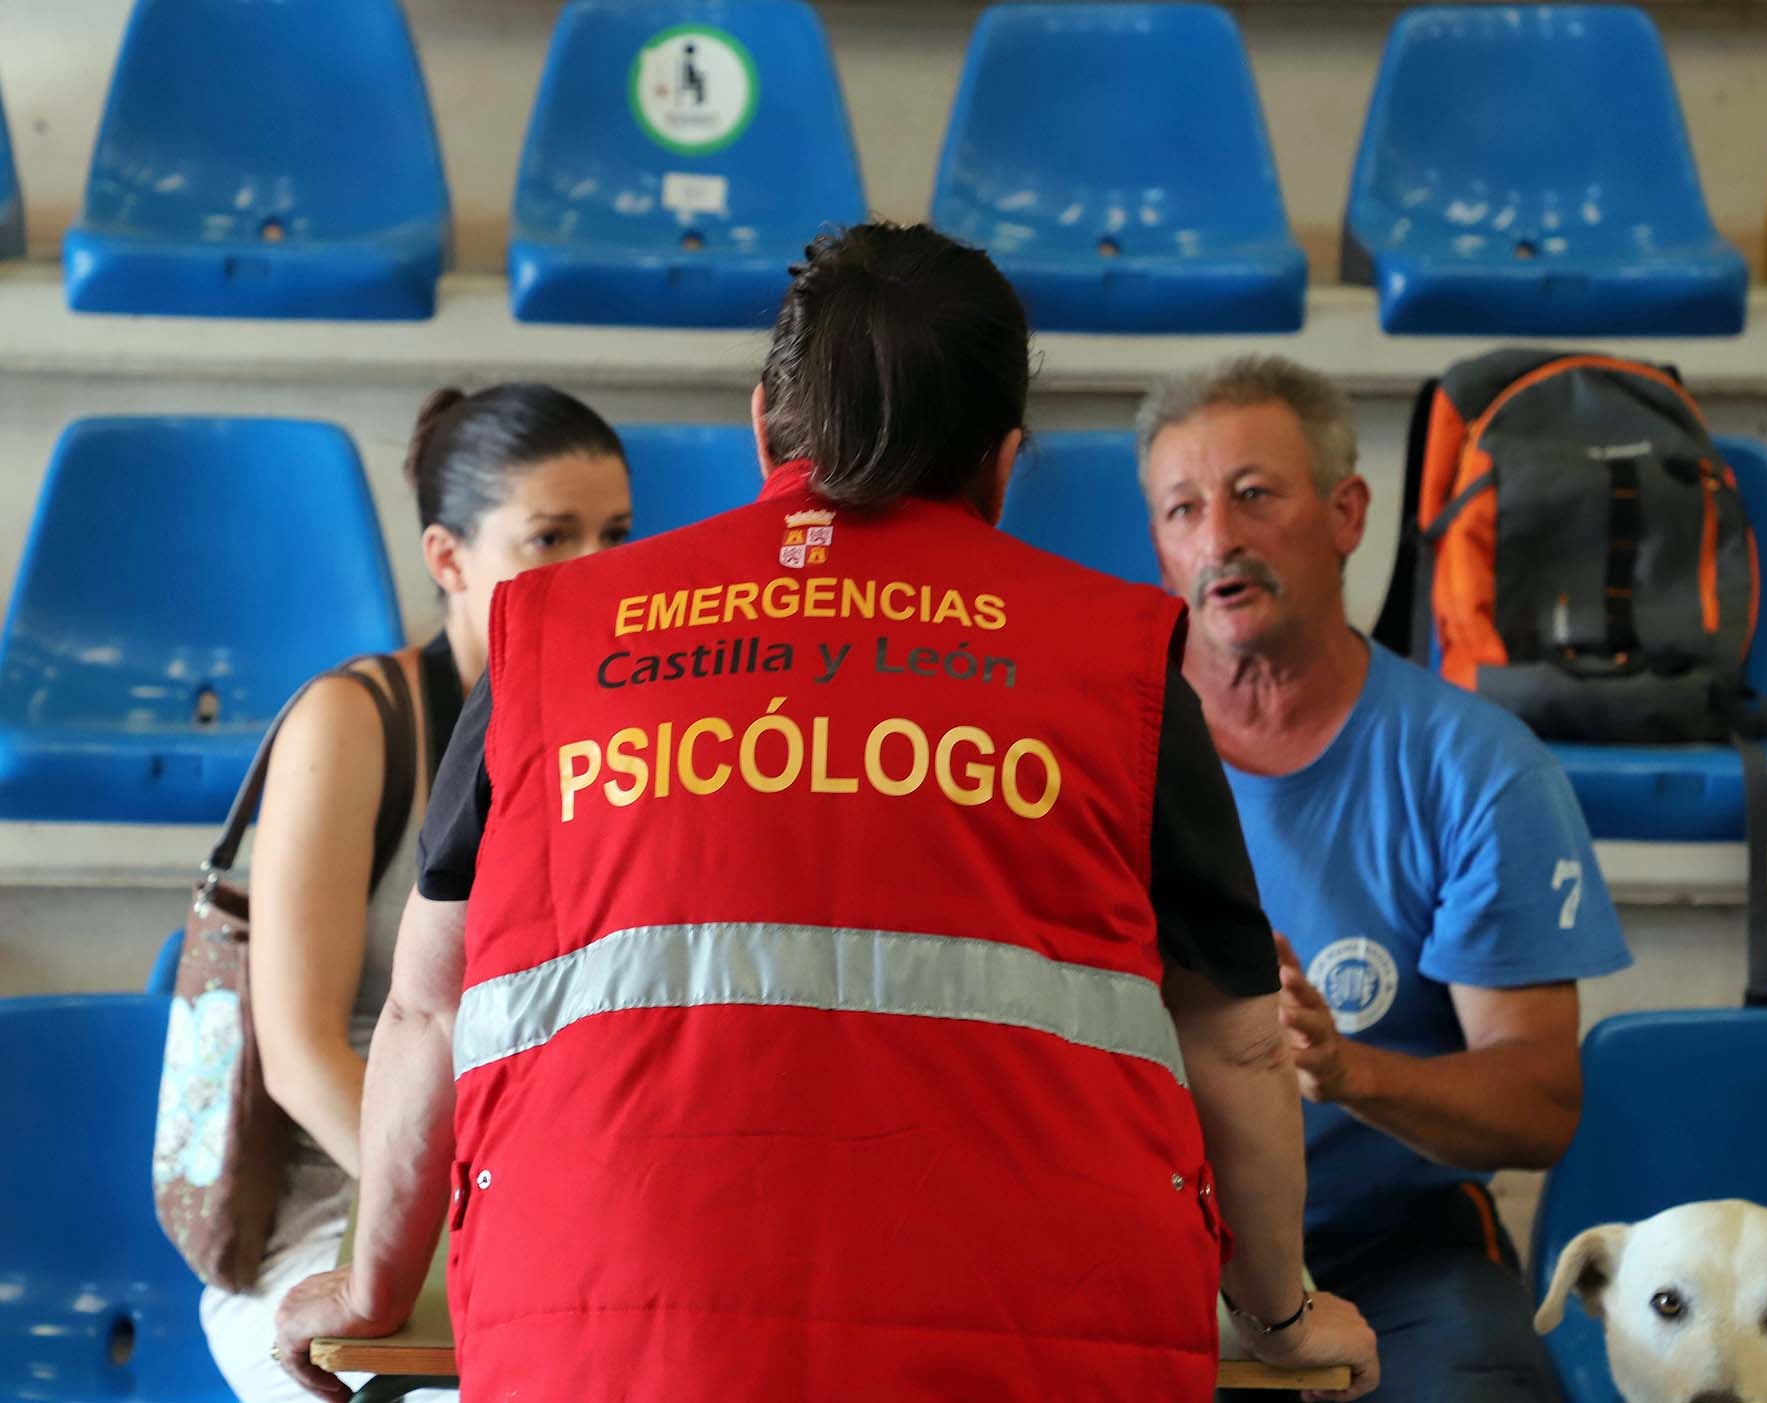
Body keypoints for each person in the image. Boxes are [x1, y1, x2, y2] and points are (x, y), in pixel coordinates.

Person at [272, 224, 1379, 1401]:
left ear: (764, 427)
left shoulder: (549, 638)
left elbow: (430, 1011)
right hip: (1038, 1343)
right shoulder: (1118, 662)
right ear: (1005, 464)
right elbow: (1237, 1038)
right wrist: (1278, 1315)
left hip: (616, 1345)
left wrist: (370, 1293)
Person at [1136, 355, 1633, 1403]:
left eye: (1255, 495)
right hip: (1154, 1250)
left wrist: (1345, 1068)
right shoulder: (1104, 753)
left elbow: (1539, 1103)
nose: (1218, 536)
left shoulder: (1478, 766)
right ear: (1160, 545)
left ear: (1347, 511)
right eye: (1184, 508)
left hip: (1403, 1251)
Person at [200, 383, 633, 1403]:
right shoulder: (351, 721)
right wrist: (467, 1212)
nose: (596, 569)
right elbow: (305, 1058)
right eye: (550, 536)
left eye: (617, 533)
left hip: (534, 1198)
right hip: (340, 1204)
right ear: (448, 559)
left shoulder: (625, 726)